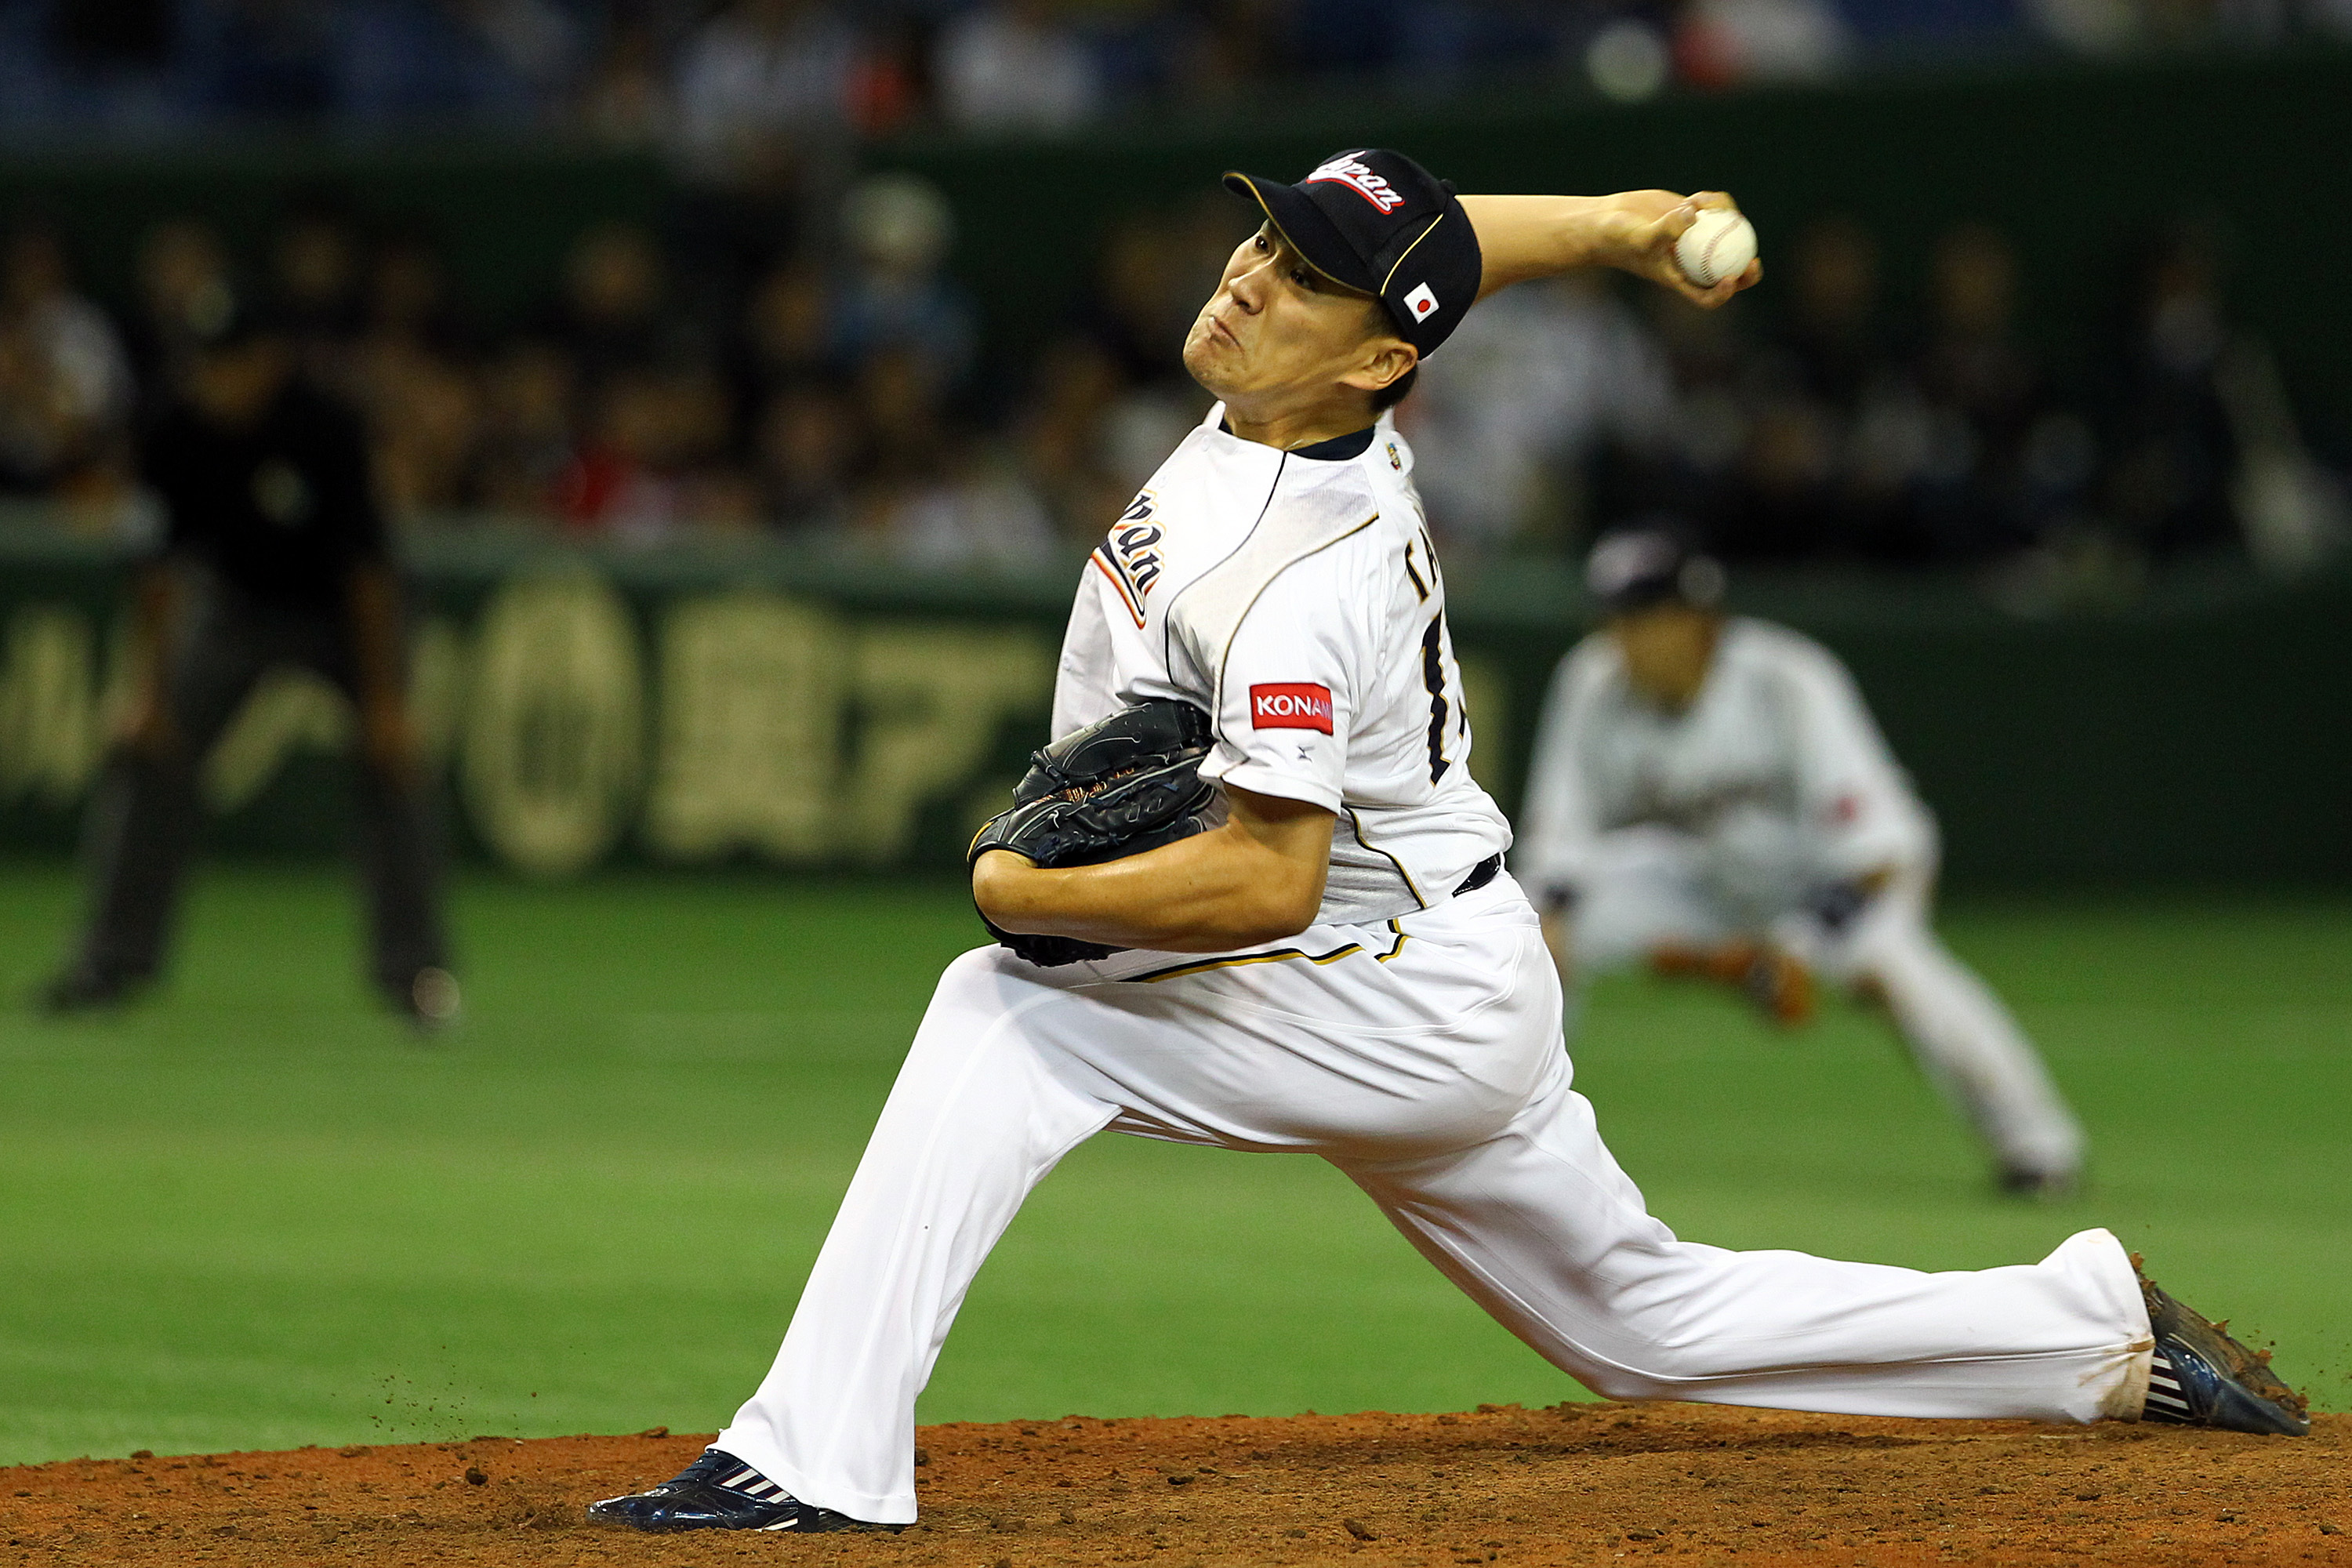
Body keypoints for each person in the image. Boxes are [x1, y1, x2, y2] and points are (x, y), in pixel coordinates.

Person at [588, 149, 2304, 1539]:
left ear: (1381, 362)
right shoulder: (1301, 392)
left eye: (1303, 279)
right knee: (1644, 1323)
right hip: (1435, 950)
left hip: (1384, 976)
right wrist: (1629, 224)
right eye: (1264, 237)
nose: (1248, 276)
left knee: (1003, 1008)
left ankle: (813, 1459)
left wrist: (1027, 890)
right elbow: (1455, 234)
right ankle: (2087, 1329)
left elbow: (1261, 876)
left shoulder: (1300, 580)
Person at [1515, 526, 2086, 1197]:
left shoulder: (1786, 678)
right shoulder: (1593, 679)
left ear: (1699, 619)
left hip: (1840, 884)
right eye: (1617, 619)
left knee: (1895, 969)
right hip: (1706, 884)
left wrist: (1796, 948)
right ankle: (1522, 1139)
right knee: (1531, 934)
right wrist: (1550, 917)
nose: (1627, 638)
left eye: (1646, 618)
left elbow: (1878, 852)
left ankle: (2038, 1150)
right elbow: (1560, 834)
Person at [38, 301, 457, 1028]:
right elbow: (157, 570)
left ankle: (415, 974)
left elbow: (367, 573)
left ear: (267, 360)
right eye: (205, 362)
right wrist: (148, 693)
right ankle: (110, 959)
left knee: (392, 767)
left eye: (229, 361)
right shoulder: (176, 426)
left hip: (342, 617)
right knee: (150, 752)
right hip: (237, 611)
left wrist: (386, 703)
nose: (215, 378)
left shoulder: (324, 424)